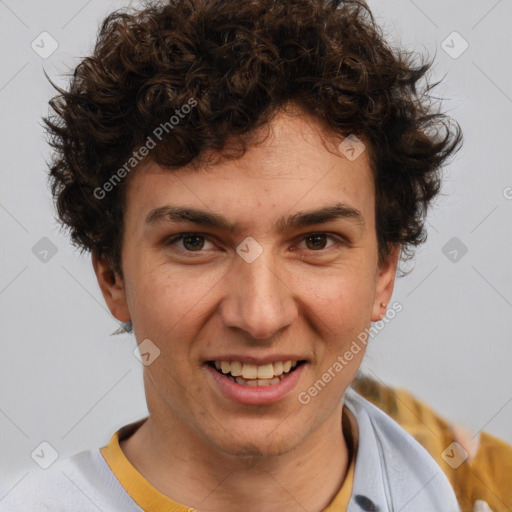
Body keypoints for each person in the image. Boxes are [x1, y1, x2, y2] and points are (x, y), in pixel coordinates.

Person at [5, 0, 505, 510]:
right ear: (112, 276)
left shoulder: (480, 487)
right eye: (194, 242)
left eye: (315, 241)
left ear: (383, 273)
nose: (260, 317)